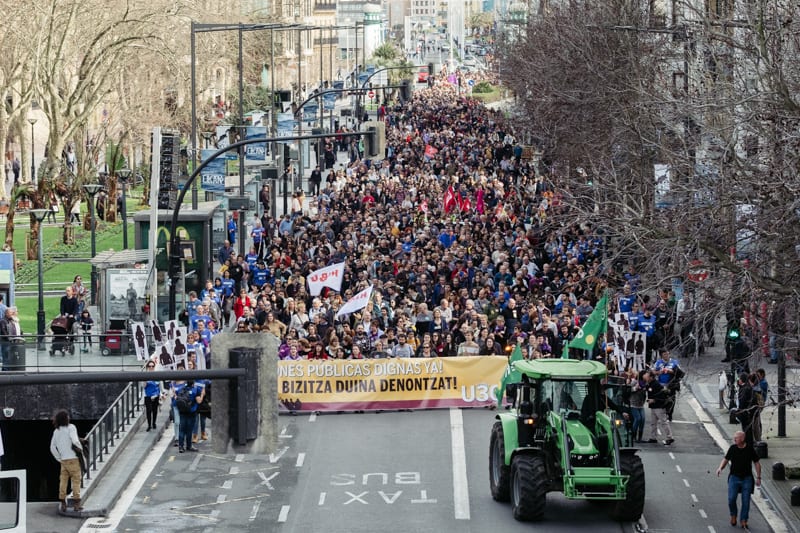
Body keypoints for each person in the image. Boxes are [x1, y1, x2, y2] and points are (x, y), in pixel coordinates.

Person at [716, 430, 761, 529]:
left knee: (746, 501)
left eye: (736, 438)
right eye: (734, 437)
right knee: (731, 499)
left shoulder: (750, 449)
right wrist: (720, 468)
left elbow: (757, 462)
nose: (734, 439)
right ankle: (733, 515)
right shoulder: (733, 448)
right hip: (734, 477)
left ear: (742, 439)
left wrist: (758, 477)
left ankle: (744, 520)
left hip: (747, 478)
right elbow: (726, 459)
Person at [50, 410, 84, 512]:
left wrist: (59, 458)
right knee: (76, 480)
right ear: (66, 418)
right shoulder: (71, 427)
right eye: (68, 416)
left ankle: (63, 503)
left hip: (63, 460)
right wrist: (81, 449)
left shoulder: (56, 431)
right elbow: (75, 440)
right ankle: (76, 504)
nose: (69, 417)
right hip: (73, 458)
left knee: (63, 481)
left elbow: (52, 447)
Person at [643, 369, 674, 445]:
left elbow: (662, 396)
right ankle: (653, 437)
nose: (645, 378)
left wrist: (654, 400)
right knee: (653, 423)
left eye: (647, 377)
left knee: (663, 422)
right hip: (653, 407)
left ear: (651, 377)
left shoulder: (656, 385)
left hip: (659, 407)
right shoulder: (649, 384)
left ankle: (670, 437)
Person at [144, 361, 161, 431]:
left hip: (155, 395)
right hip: (147, 395)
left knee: (154, 410)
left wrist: (160, 394)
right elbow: (143, 386)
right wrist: (145, 380)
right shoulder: (145, 375)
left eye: (152, 366)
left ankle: (154, 423)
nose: (151, 367)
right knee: (148, 410)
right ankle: (149, 425)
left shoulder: (156, 375)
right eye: (149, 366)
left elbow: (159, 385)